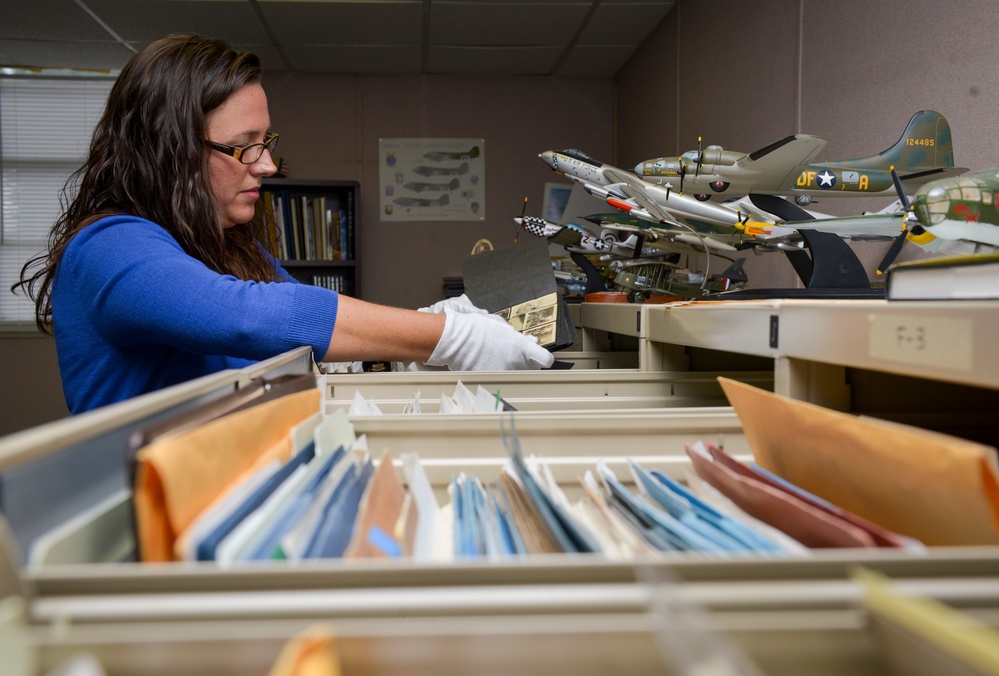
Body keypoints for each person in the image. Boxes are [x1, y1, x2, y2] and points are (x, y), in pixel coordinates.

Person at [13, 34, 553, 415]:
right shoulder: (108, 248)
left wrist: (416, 336)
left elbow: (308, 338)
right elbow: (251, 318)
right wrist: (448, 338)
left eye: (265, 143)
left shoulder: (222, 246)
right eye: (243, 147)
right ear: (169, 151)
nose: (267, 166)